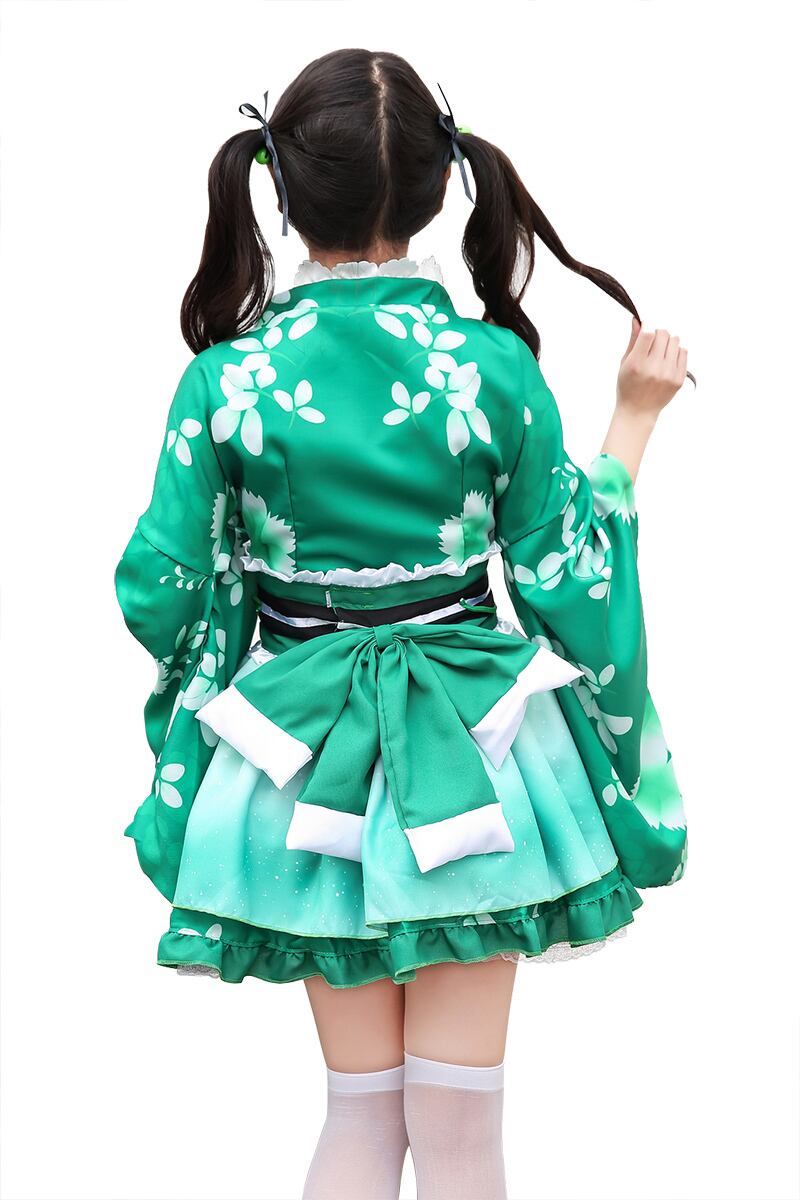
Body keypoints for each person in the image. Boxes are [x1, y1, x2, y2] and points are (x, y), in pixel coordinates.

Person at [114, 48, 690, 1200]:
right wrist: (632, 419)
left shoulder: (224, 382)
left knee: (359, 1113)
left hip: (303, 758)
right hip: (477, 745)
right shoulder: (490, 369)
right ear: (439, 187)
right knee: (461, 1130)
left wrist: (239, 620)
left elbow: (158, 587)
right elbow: (568, 575)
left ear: (280, 193)